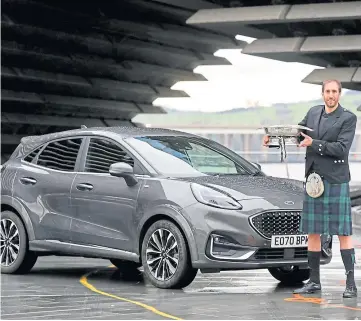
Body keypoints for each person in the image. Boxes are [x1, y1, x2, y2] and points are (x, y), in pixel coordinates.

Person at [263, 79, 358, 298]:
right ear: (322, 93)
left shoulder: (348, 118)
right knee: (313, 232)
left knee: (343, 233)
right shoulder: (313, 113)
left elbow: (342, 149)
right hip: (314, 180)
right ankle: (314, 281)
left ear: (339, 94)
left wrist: (313, 144)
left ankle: (350, 284)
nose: (331, 95)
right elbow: (298, 135)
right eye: (327, 91)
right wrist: (273, 140)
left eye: (334, 92)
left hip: (335, 180)